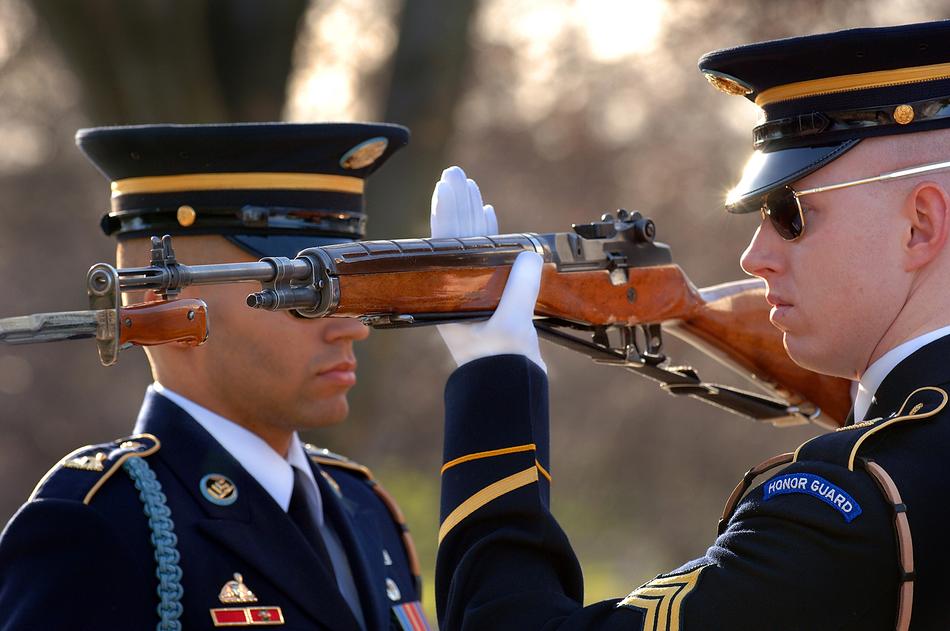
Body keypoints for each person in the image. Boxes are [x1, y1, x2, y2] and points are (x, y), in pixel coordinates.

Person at [430, 20, 950, 631]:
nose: (753, 257)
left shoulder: (842, 510)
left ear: (920, 224)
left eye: (790, 215)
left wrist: (492, 379)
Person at [0, 123, 433, 631]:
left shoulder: (362, 506)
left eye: (347, 294)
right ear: (167, 305)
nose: (352, 327)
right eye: (303, 293)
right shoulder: (101, 525)